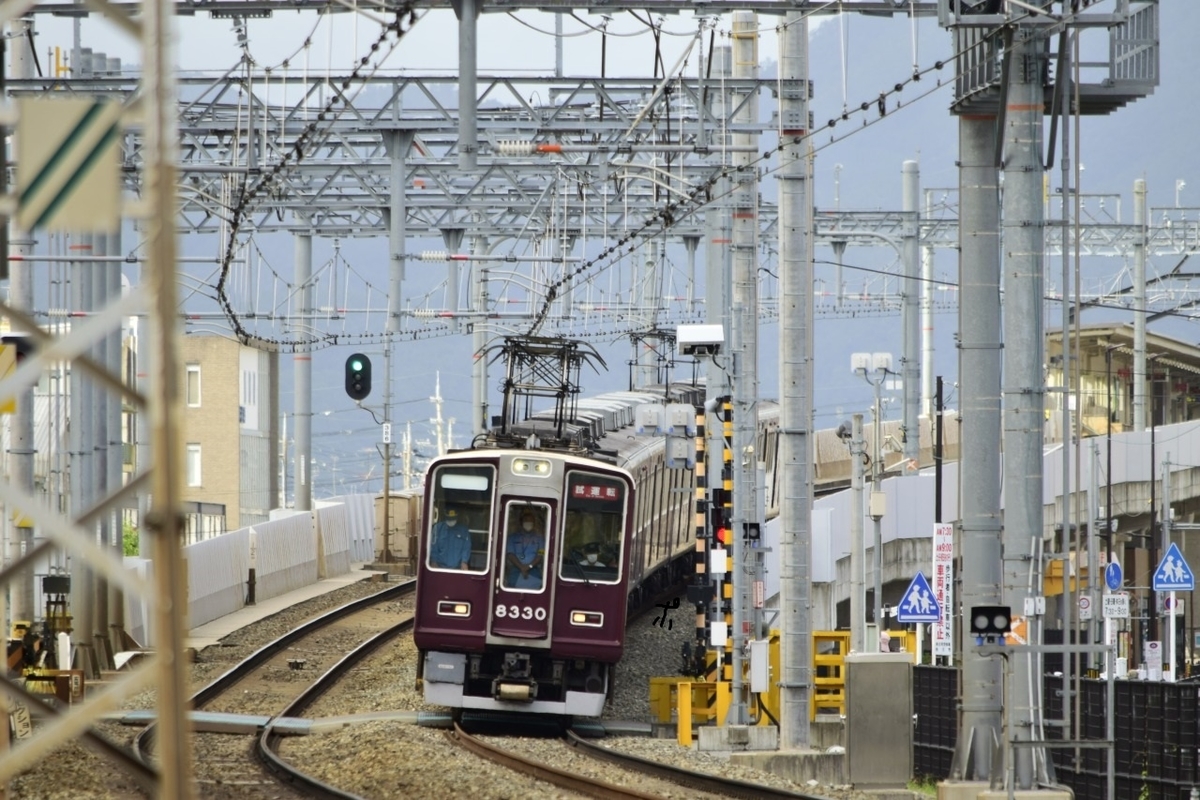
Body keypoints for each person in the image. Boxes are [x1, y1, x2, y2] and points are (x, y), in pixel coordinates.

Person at [505, 509, 545, 589]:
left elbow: (540, 555)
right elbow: (510, 554)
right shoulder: (512, 537)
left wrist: (529, 567)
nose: (528, 523)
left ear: (534, 523)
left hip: (533, 570)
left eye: (531, 521)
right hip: (516, 570)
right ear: (521, 523)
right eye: (526, 521)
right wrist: (521, 567)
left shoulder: (540, 539)